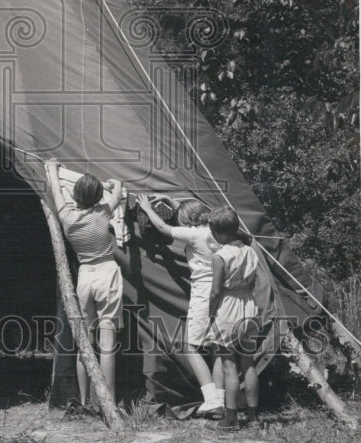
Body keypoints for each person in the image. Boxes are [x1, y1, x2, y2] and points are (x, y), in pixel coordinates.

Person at [135, 193, 225, 417]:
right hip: (223, 292)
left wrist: (147, 208)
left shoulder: (194, 235)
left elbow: (163, 228)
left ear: (188, 221)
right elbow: (192, 214)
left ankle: (211, 399)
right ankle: (221, 399)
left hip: (203, 293)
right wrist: (171, 200)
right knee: (216, 348)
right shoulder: (216, 232)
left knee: (191, 346)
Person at [44, 160, 124, 405]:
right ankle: (107, 400)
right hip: (107, 272)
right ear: (99, 197)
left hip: (85, 276)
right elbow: (118, 194)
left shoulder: (67, 217)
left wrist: (52, 169)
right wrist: (116, 183)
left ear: (75, 196)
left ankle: (85, 398)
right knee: (107, 341)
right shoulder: (103, 214)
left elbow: (57, 191)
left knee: (85, 342)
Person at [206, 206, 261, 432]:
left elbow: (216, 290)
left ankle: (231, 418)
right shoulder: (250, 251)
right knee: (248, 363)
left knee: (229, 366)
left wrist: (210, 312)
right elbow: (252, 283)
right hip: (248, 305)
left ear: (217, 233)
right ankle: (253, 416)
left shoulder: (220, 256)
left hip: (228, 307)